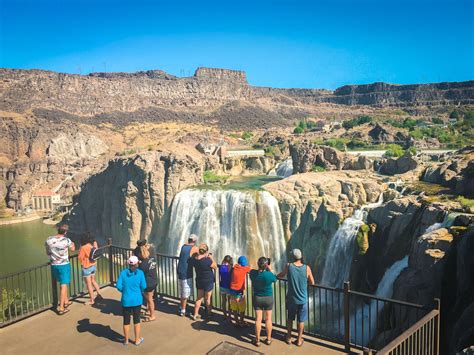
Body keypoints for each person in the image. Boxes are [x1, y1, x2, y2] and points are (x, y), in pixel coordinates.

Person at [277, 248, 315, 347]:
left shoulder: (289, 266)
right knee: (301, 320)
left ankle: (288, 338)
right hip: (303, 299)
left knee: (290, 318)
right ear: (301, 257)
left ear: (293, 257)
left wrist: (275, 276)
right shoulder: (307, 268)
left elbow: (281, 275)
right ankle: (299, 340)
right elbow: (312, 282)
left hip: (291, 299)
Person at [45, 224, 75, 315]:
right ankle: (61, 308)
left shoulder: (49, 239)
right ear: (65, 232)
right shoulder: (67, 240)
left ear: (58, 230)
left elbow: (47, 252)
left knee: (62, 283)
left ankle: (66, 301)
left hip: (54, 265)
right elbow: (73, 249)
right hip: (64, 265)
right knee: (64, 285)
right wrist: (73, 244)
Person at [116, 255, 146, 346]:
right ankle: (137, 340)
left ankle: (126, 340)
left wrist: (124, 291)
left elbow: (118, 286)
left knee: (126, 320)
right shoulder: (140, 273)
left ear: (128, 264)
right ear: (137, 264)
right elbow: (144, 286)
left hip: (126, 300)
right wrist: (140, 291)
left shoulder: (123, 273)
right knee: (137, 320)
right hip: (137, 300)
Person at [249, 256, 277, 347]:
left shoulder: (253, 273)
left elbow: (251, 271)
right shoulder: (269, 275)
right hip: (268, 298)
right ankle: (268, 339)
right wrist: (269, 269)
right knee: (268, 319)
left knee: (258, 319)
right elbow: (275, 279)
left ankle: (257, 341)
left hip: (257, 298)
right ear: (266, 265)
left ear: (258, 264)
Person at [189, 243, 217, 320]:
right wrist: (211, 258)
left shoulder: (195, 260)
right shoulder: (207, 261)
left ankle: (195, 314)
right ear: (206, 252)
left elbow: (192, 255)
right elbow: (215, 267)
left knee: (199, 298)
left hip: (199, 281)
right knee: (207, 299)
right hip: (208, 282)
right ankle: (209, 314)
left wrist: (198, 254)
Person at [176, 234, 198, 316]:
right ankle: (183, 310)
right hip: (186, 272)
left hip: (180, 270)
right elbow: (200, 254)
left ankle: (182, 306)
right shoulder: (194, 248)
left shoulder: (183, 246)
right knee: (185, 293)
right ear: (194, 241)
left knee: (182, 291)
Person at [77, 233, 102, 305]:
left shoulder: (83, 247)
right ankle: (99, 294)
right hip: (94, 265)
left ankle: (92, 300)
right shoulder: (92, 245)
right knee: (93, 280)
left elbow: (80, 257)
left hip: (87, 267)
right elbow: (95, 248)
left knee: (89, 284)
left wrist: (80, 248)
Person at [137, 240, 158, 321]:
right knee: (150, 297)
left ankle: (152, 315)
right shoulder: (152, 258)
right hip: (154, 280)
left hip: (148, 282)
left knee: (149, 298)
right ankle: (149, 311)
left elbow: (140, 273)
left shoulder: (143, 264)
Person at [229, 255, 251, 327]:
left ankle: (237, 321)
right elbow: (251, 270)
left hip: (232, 290)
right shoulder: (244, 269)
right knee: (242, 308)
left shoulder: (234, 268)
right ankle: (241, 322)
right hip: (239, 291)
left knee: (234, 307)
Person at [219, 255, 233, 322]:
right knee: (230, 302)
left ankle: (224, 315)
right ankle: (229, 316)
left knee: (224, 301)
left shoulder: (221, 267)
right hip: (229, 287)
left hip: (222, 286)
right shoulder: (231, 268)